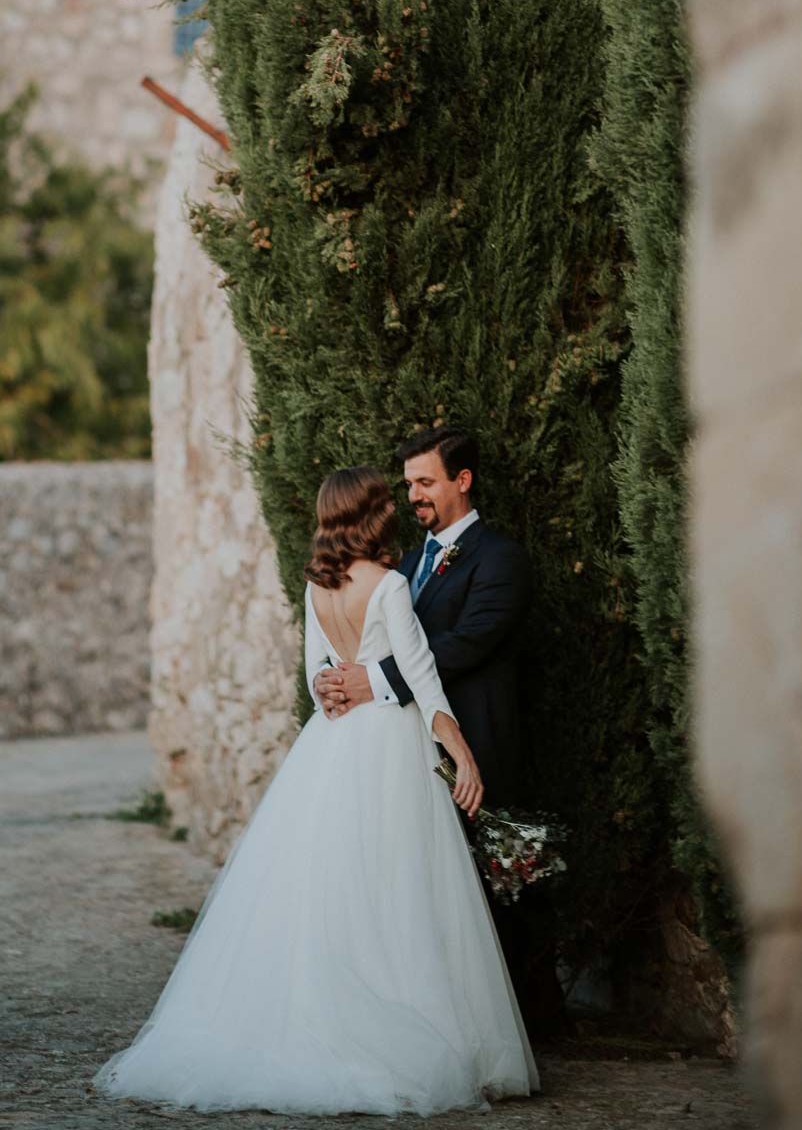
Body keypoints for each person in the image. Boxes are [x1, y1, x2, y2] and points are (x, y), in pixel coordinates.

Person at [93, 466, 539, 1117]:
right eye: (384, 501)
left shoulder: (315, 585)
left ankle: (315, 1018)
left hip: (332, 747)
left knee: (331, 883)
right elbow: (423, 680)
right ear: (367, 514)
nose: (393, 507)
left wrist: (333, 687)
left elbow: (317, 680)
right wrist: (463, 757)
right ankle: (390, 1026)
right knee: (398, 887)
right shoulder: (386, 584)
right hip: (389, 745)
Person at [314, 426, 564, 1039]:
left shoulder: (501, 559)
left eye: (425, 483)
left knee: (491, 898)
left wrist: (373, 681)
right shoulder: (397, 567)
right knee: (415, 892)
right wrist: (333, 678)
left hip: (473, 740)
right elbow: (367, 638)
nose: (414, 496)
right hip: (398, 752)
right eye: (408, 485)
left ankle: (531, 1029)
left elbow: (463, 645)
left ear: (462, 480)